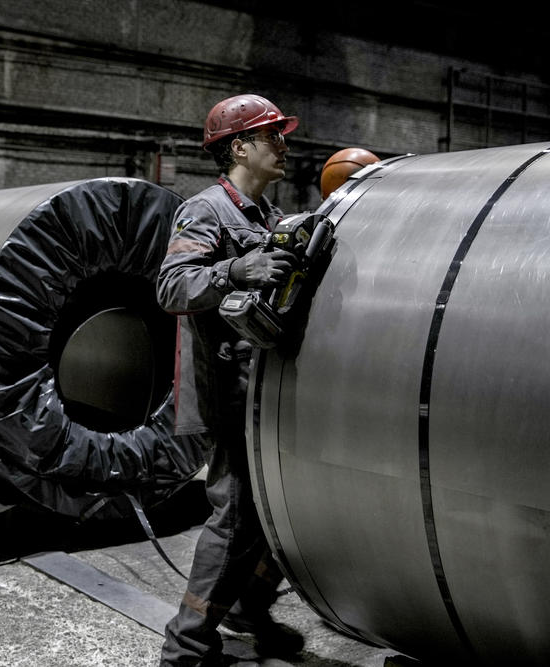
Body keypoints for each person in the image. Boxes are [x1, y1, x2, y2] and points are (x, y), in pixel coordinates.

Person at [156, 93, 306, 666]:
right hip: (226, 392)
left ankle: (249, 608)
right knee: (238, 515)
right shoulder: (205, 211)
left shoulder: (270, 218)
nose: (283, 146)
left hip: (262, 393)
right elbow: (172, 289)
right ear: (239, 147)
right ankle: (186, 648)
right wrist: (233, 269)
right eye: (272, 136)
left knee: (277, 510)